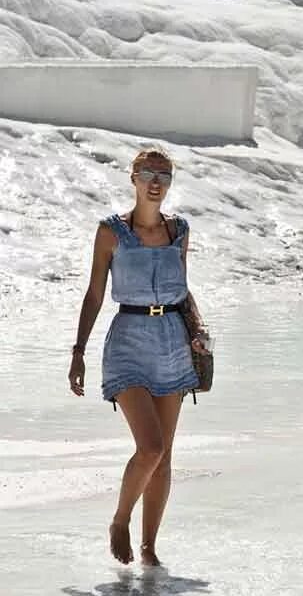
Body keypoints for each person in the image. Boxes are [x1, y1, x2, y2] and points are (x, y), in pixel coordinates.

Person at [67, 149, 210, 567]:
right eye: (147, 173)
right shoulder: (111, 232)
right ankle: (120, 520)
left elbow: (183, 291)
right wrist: (78, 352)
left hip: (172, 341)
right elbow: (94, 295)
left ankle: (150, 551)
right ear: (133, 178)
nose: (155, 182)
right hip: (127, 342)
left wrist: (198, 329)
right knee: (149, 447)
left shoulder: (179, 230)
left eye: (163, 175)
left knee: (165, 455)